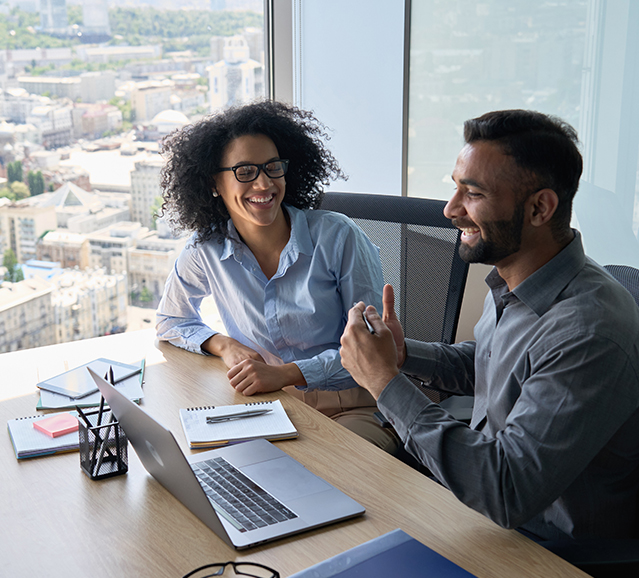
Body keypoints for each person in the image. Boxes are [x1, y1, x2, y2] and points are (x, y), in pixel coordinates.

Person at [340, 109, 639, 541]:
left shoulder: (590, 329)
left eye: (473, 193)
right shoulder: (514, 278)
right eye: (455, 188)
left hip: (542, 548)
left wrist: (385, 383)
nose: (450, 210)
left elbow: (506, 489)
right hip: (477, 510)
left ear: (540, 207)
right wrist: (404, 356)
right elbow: (493, 364)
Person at [156, 100, 401, 454]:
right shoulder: (206, 249)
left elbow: (375, 354)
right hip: (271, 407)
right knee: (219, 469)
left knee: (325, 476)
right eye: (245, 172)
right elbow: (171, 320)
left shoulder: (338, 237)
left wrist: (287, 374)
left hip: (355, 406)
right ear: (214, 184)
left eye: (272, 167)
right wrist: (224, 345)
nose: (264, 183)